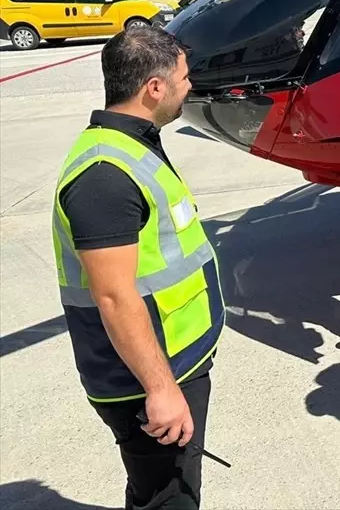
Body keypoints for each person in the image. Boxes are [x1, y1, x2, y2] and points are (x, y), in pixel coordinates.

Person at [53, 26, 224, 509]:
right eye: (184, 78)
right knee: (169, 498)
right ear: (154, 88)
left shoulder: (133, 143)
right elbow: (113, 295)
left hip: (172, 359)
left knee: (162, 490)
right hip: (144, 379)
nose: (189, 87)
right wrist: (161, 389)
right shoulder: (105, 175)